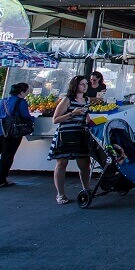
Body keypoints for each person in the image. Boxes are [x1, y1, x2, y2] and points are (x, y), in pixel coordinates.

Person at [0, 82, 33, 189]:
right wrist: (34, 119)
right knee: (7, 157)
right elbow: (25, 116)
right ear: (22, 92)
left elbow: (0, 115)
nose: (27, 93)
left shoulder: (2, 101)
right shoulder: (21, 102)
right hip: (10, 132)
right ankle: (1, 181)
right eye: (26, 91)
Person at [48, 76, 91, 205]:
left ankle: (86, 189)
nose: (85, 86)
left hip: (80, 135)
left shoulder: (86, 100)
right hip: (65, 135)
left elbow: (86, 117)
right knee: (62, 164)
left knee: (85, 164)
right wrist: (72, 113)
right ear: (75, 86)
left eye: (86, 84)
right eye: (82, 84)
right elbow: (55, 119)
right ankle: (60, 194)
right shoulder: (67, 100)